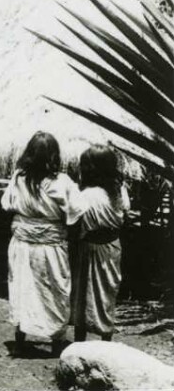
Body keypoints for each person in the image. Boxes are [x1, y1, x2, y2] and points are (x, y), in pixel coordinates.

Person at [1, 131, 80, 356]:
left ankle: (20, 339)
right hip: (51, 246)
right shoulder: (62, 182)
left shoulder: (19, 177)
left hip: (22, 243)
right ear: (54, 155)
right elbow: (76, 211)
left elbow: (7, 204)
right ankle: (56, 342)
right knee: (55, 289)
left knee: (21, 286)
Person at [70, 145, 130, 342]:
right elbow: (125, 213)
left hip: (90, 247)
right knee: (107, 292)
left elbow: (72, 219)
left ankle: (80, 340)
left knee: (83, 294)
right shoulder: (119, 190)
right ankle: (106, 340)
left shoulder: (87, 194)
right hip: (112, 247)